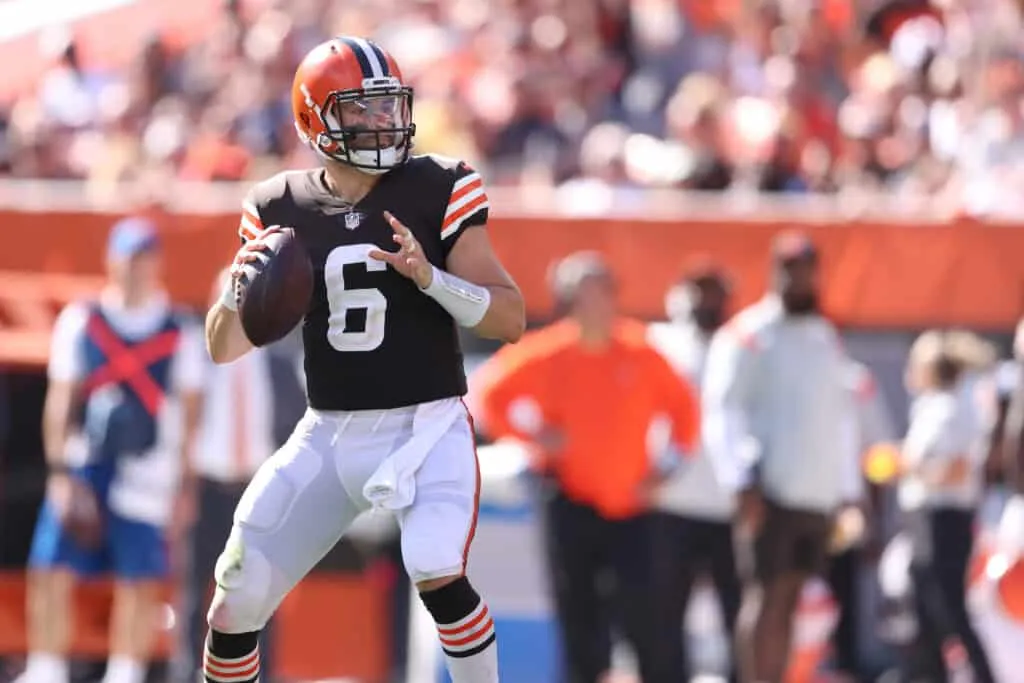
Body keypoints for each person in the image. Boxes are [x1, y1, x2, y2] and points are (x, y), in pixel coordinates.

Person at [201, 36, 525, 683]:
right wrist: (243, 290)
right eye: (360, 111)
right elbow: (224, 345)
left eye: (387, 109)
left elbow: (509, 316)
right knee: (235, 598)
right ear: (314, 118)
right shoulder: (276, 206)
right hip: (330, 430)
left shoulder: (439, 185)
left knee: (434, 562)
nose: (381, 124)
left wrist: (430, 278)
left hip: (426, 426)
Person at [471, 251, 701, 683]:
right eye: (586, 294)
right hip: (573, 500)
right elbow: (489, 396)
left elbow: (685, 412)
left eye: (603, 292)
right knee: (579, 617)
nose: (596, 303)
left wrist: (667, 469)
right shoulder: (549, 351)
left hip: (633, 507)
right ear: (569, 300)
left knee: (650, 618)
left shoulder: (640, 350)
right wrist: (534, 437)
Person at [17, 217, 205, 683]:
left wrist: (185, 487)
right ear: (111, 260)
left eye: (144, 257)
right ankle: (46, 668)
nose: (136, 268)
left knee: (139, 580)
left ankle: (126, 672)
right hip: (86, 463)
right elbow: (61, 401)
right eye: (128, 257)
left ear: (157, 262)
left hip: (148, 471)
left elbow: (190, 416)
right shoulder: (82, 320)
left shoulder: (179, 329)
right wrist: (59, 473)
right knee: (51, 567)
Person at [701, 231, 863, 683]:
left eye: (807, 269)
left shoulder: (825, 335)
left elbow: (839, 416)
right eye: (790, 269)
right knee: (767, 595)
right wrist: (738, 480)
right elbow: (723, 410)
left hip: (816, 490)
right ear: (775, 272)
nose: (800, 279)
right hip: (771, 486)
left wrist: (847, 490)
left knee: (792, 597)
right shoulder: (750, 335)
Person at [173, 269, 305, 683]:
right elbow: (183, 424)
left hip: (256, 488)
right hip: (209, 486)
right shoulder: (200, 358)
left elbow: (298, 427)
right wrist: (184, 488)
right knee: (197, 588)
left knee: (260, 591)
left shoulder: (278, 363)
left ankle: (260, 673)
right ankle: (186, 672)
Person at [645, 259, 741, 683]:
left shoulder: (741, 346)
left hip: (729, 503)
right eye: (698, 290)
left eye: (713, 292)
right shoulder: (659, 343)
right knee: (665, 614)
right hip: (672, 500)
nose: (705, 301)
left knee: (737, 613)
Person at [897, 330, 997, 683]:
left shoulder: (953, 408)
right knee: (923, 607)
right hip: (924, 518)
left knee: (950, 607)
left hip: (945, 519)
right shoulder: (929, 407)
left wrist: (908, 468)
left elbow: (954, 470)